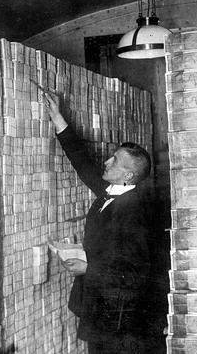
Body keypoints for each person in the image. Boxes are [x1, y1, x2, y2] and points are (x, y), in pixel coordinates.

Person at [42, 89, 165, 353]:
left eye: (115, 161)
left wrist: (89, 269)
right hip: (103, 311)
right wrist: (58, 118)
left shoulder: (136, 212)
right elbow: (84, 164)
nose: (107, 161)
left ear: (129, 175)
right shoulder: (113, 193)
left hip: (122, 322)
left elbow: (134, 274)